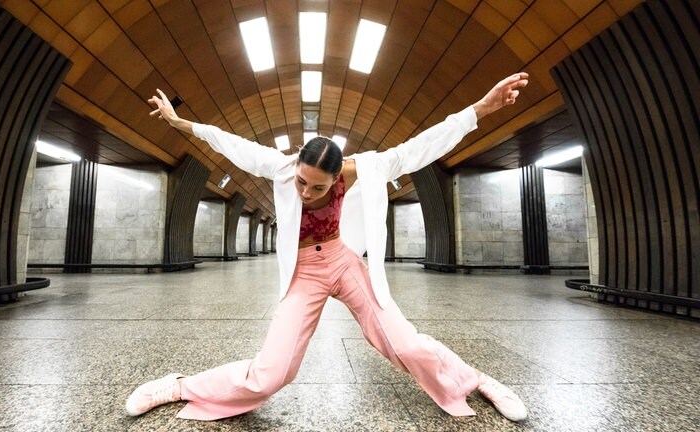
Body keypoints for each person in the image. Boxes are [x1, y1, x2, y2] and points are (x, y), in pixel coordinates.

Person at [126, 73, 530, 422]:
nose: (305, 191)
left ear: (339, 175)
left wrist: (480, 109)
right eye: (302, 181)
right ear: (297, 166)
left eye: (318, 186)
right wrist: (180, 123)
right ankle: (180, 387)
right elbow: (228, 143)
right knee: (273, 373)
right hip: (304, 272)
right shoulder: (281, 167)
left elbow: (424, 145)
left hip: (344, 261)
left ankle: (475, 380)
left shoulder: (369, 169)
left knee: (401, 343)